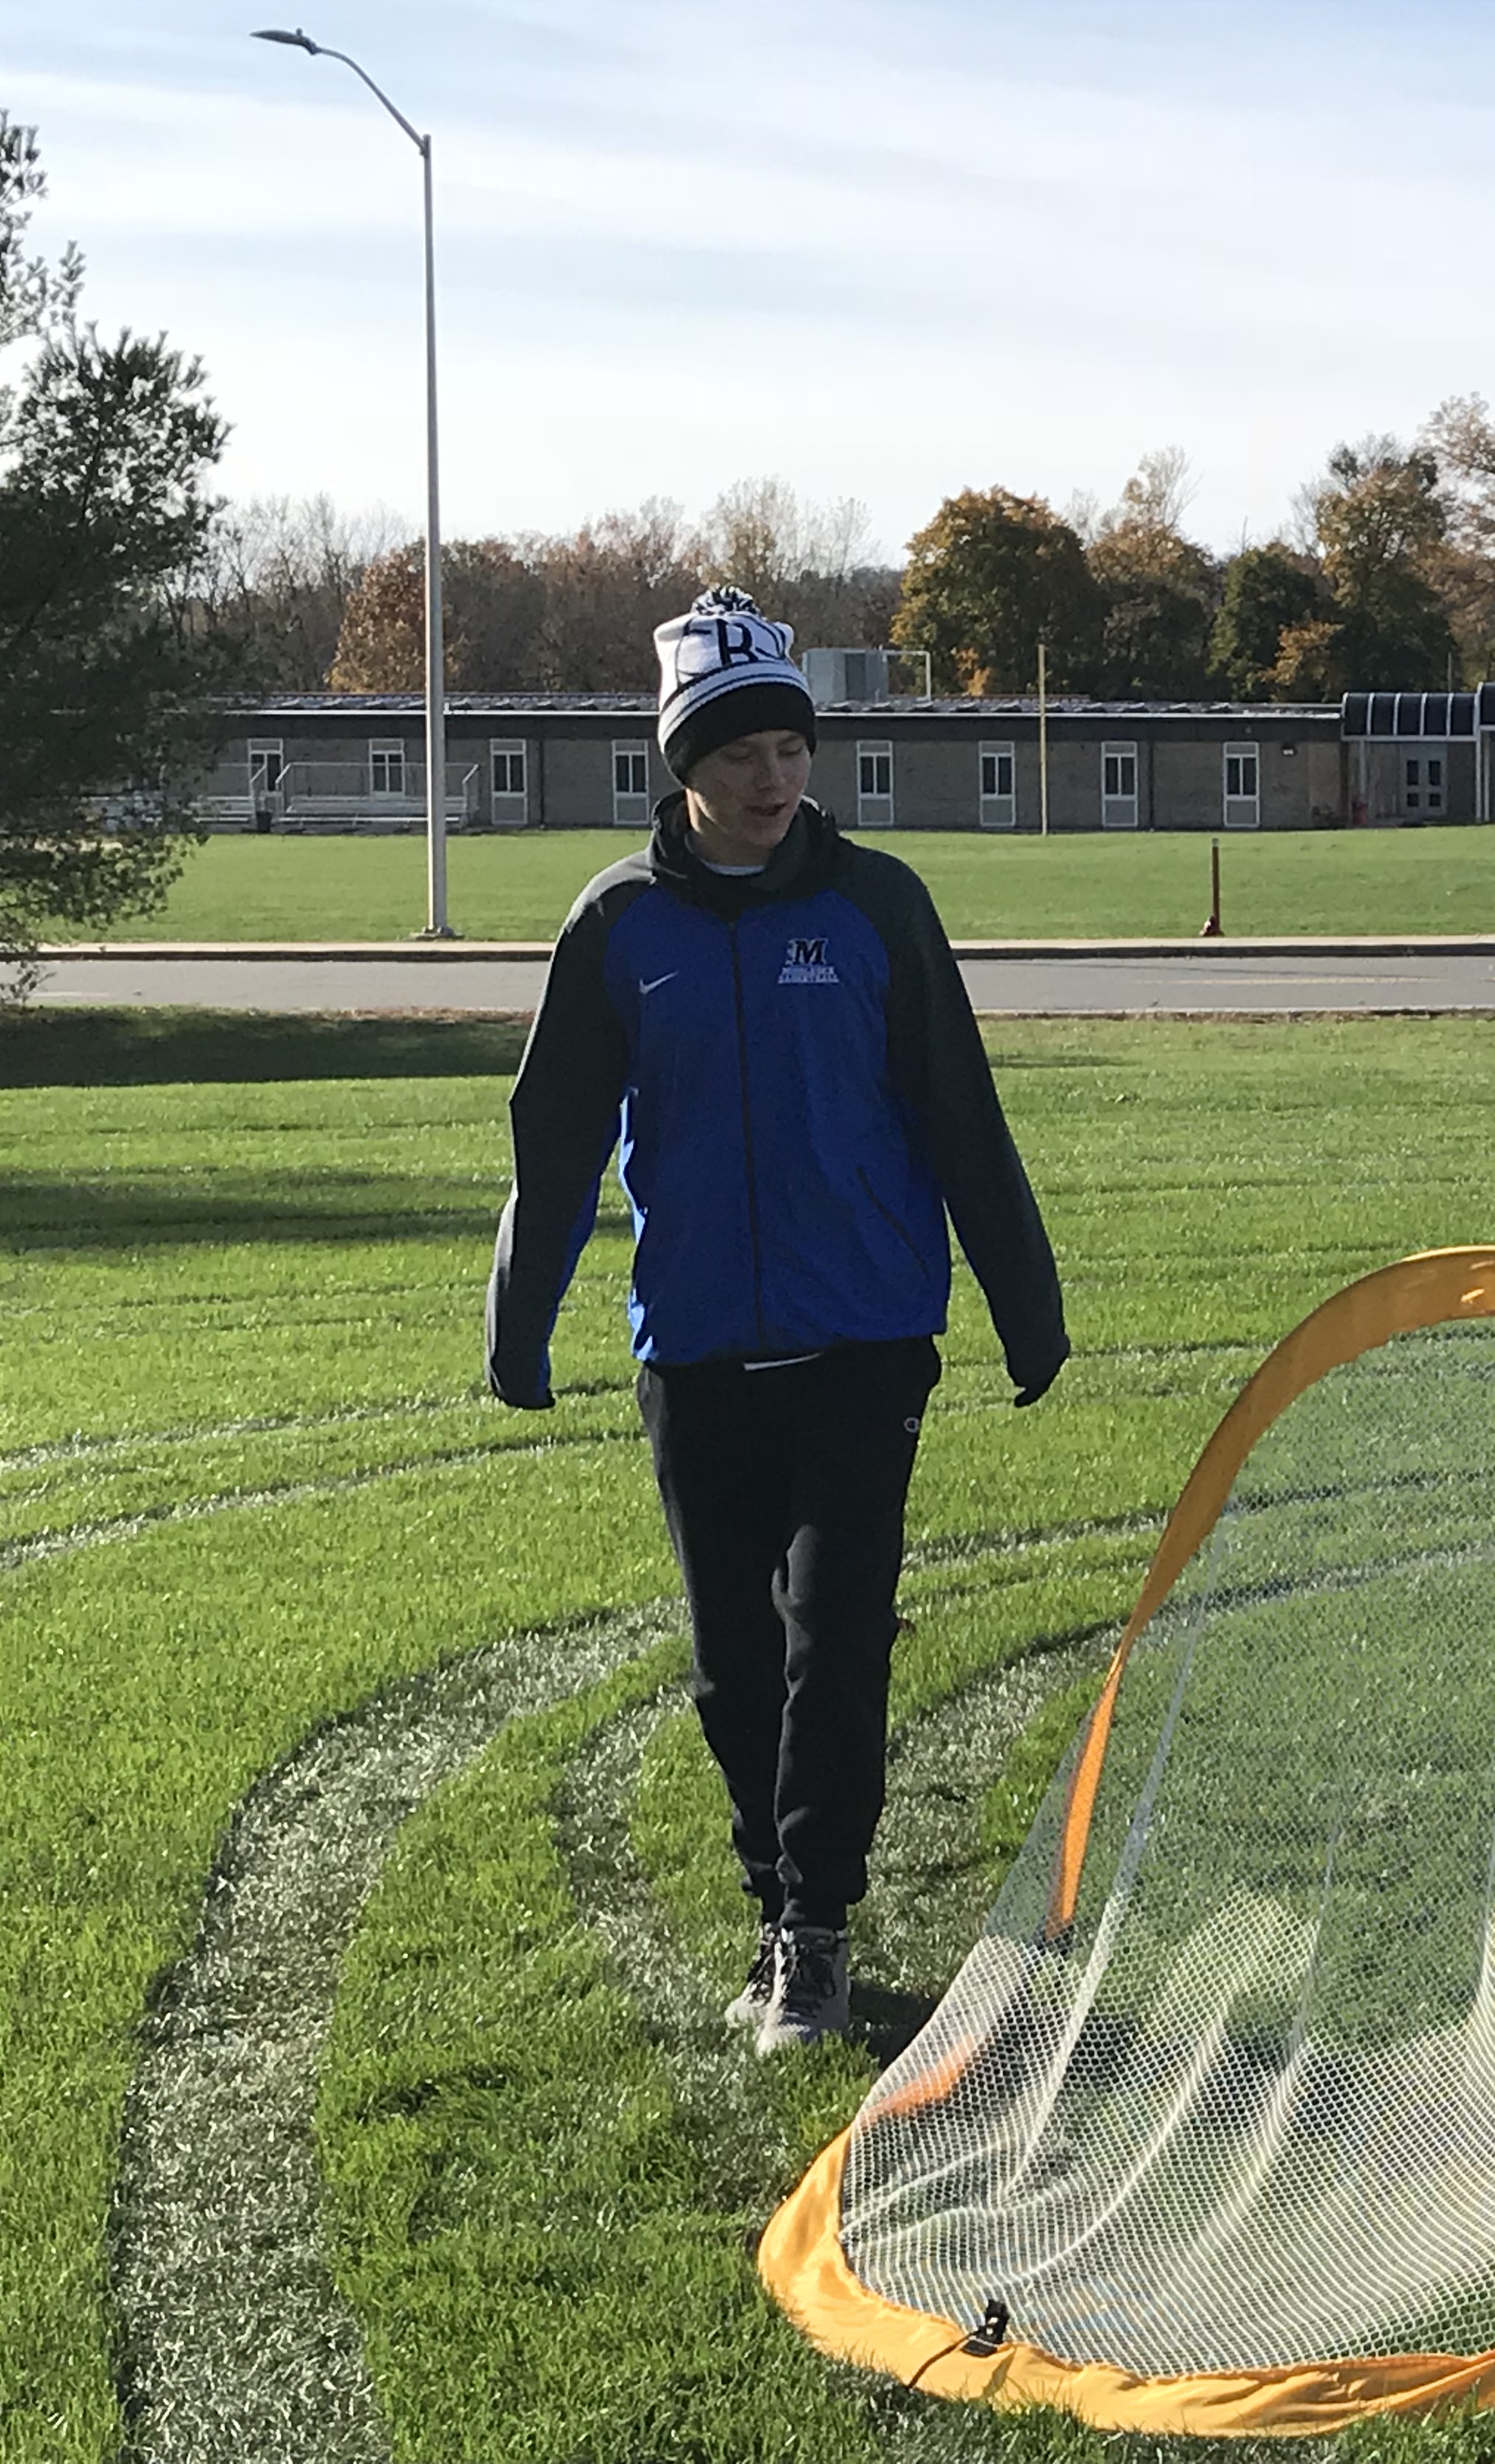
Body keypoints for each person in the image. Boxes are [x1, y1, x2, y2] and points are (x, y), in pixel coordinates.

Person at [485, 587, 1069, 2057]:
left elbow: (960, 1113)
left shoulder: (878, 906)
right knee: (732, 1666)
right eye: (739, 750)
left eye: (792, 747)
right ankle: (773, 1901)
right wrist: (519, 1321)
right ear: (682, 763)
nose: (773, 776)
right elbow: (556, 1142)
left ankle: (815, 1929)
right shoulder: (618, 924)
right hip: (695, 1349)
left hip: (863, 1340)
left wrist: (1026, 1303)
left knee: (836, 1639)